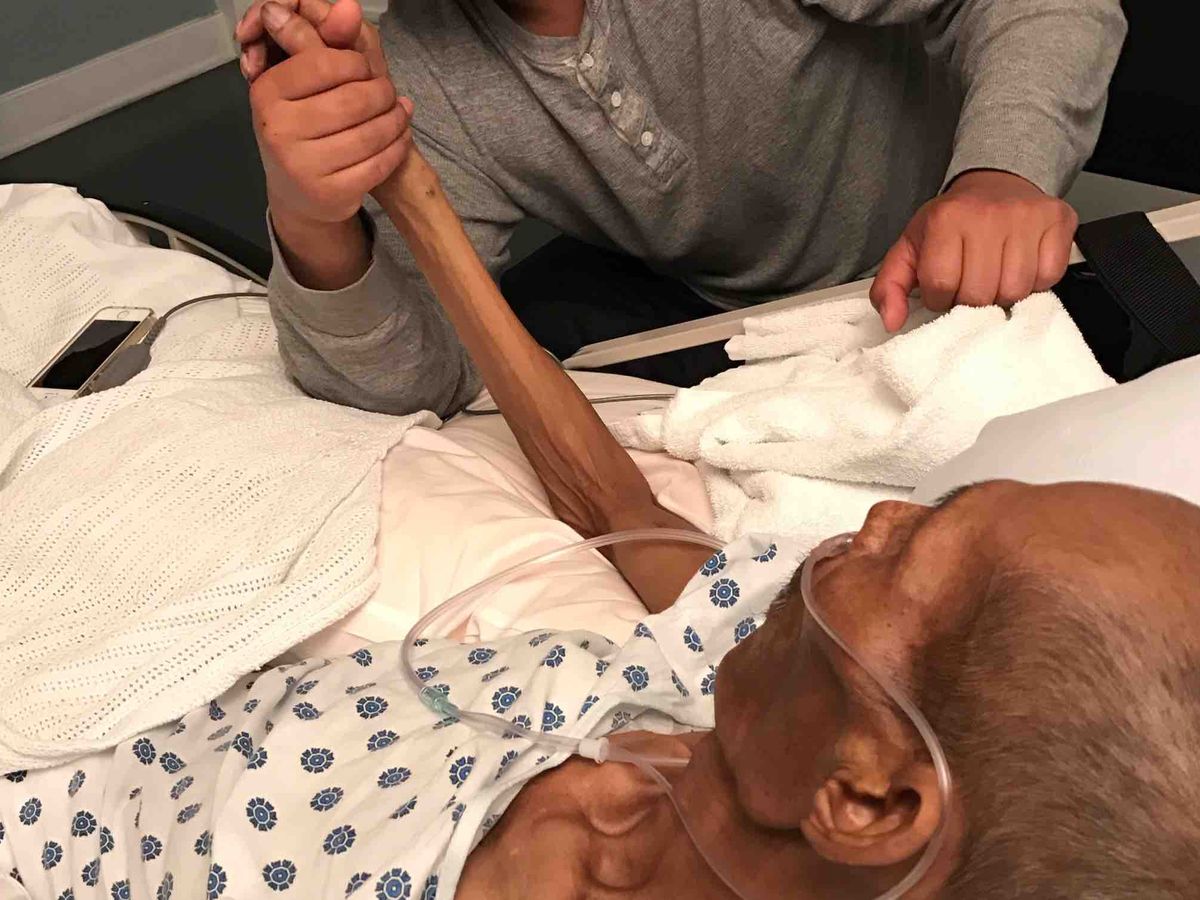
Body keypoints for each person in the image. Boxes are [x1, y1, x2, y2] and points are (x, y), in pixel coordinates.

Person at [2, 18, 1195, 897]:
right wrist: (381, 205)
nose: (872, 518)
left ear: (866, 799)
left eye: (914, 547)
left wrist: (997, 169)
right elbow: (571, 478)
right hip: (167, 650)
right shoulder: (751, 676)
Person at [235, 0, 1125, 412]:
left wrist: (1000, 174)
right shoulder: (411, 71)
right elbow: (412, 384)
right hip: (706, 312)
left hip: (938, 280)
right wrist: (313, 216)